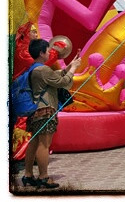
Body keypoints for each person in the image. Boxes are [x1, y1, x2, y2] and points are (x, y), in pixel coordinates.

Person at [22, 39, 82, 189]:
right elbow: (62, 82)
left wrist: (70, 65)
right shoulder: (43, 70)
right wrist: (74, 69)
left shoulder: (35, 68)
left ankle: (28, 174)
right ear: (41, 53)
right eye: (48, 50)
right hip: (45, 110)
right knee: (44, 144)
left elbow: (55, 77)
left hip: (35, 110)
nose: (50, 53)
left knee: (34, 143)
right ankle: (43, 177)